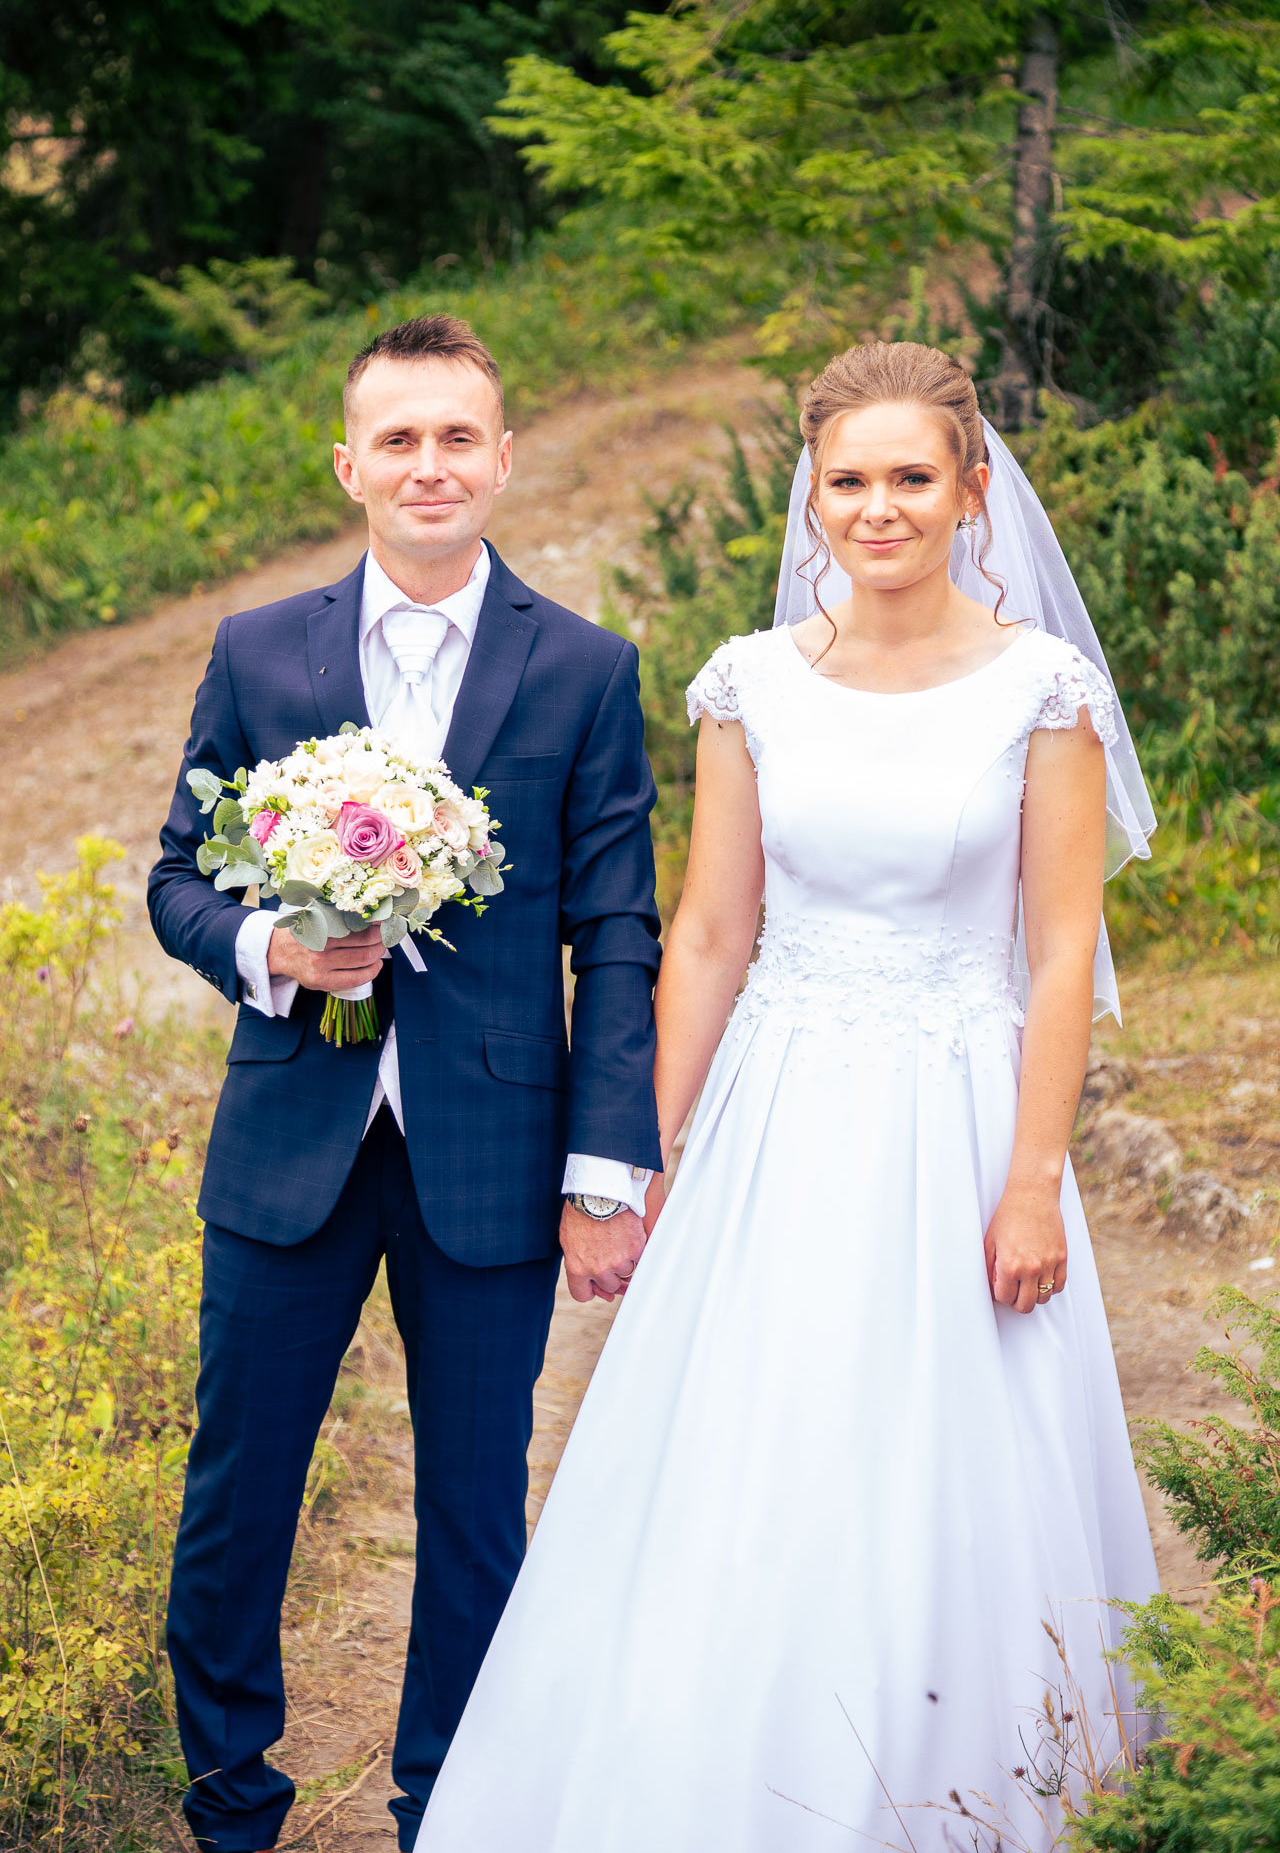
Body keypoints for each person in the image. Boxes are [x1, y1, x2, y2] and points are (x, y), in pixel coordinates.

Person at [413, 340, 1161, 1852]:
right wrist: (633, 1157)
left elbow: (1060, 951)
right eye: (849, 481)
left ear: (971, 491)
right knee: (752, 1445)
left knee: (944, 1457)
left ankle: (949, 1791)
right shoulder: (752, 685)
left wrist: (1031, 1178)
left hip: (961, 1115)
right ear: (810, 496)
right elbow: (707, 933)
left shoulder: (1041, 690)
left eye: (912, 479)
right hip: (780, 1117)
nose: (880, 508)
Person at [147, 314, 663, 1852]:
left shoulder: (583, 667)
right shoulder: (259, 650)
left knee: (475, 1508)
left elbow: (615, 932)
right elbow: (177, 878)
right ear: (349, 466)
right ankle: (231, 1800)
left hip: (494, 1152)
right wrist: (272, 949)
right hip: (286, 1144)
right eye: (398, 439)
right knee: (238, 1493)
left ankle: (449, 1802)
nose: (428, 464)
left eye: (456, 437)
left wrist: (605, 1171)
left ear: (502, 459)